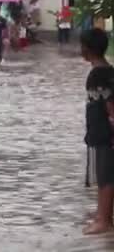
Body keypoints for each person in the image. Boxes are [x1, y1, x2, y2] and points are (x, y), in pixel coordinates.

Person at [80, 28, 114, 235]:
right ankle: (104, 217)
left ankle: (103, 219)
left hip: (105, 133)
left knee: (105, 177)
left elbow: (110, 105)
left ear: (88, 49)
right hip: (104, 131)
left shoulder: (97, 75)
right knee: (105, 175)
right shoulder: (108, 71)